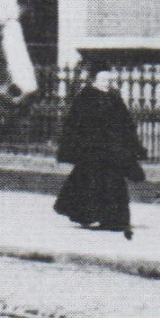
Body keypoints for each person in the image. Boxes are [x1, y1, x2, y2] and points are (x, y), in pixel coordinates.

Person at [53, 63, 146, 238]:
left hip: (112, 149)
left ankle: (112, 219)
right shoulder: (86, 96)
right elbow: (75, 123)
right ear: (95, 79)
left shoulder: (114, 96)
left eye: (109, 79)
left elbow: (126, 122)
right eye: (103, 79)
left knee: (113, 183)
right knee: (91, 182)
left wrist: (130, 144)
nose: (107, 82)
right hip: (93, 150)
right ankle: (88, 214)